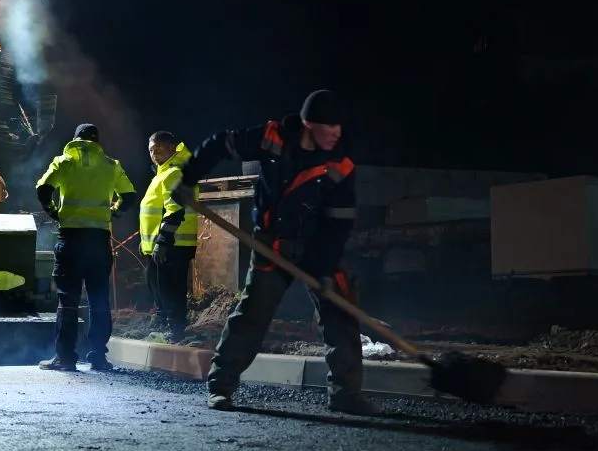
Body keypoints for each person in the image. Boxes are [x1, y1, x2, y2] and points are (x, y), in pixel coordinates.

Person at [176, 90, 379, 415]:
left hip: (318, 248)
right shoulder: (273, 137)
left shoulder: (340, 164)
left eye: (339, 126)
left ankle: (346, 394)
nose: (337, 132)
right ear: (309, 124)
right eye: (330, 126)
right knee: (252, 316)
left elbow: (338, 225)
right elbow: (218, 144)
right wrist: (189, 179)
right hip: (271, 245)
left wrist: (325, 270)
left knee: (341, 314)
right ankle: (220, 387)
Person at [35, 123, 136, 371]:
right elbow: (130, 196)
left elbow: (43, 189)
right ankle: (98, 357)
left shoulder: (64, 161)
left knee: (67, 300)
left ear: (76, 139)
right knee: (99, 300)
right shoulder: (111, 165)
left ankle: (66, 358)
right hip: (98, 241)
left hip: (71, 239)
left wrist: (54, 212)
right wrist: (113, 212)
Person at [140, 131, 199, 343]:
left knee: (170, 289)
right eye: (151, 150)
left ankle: (175, 331)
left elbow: (175, 210)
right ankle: (168, 328)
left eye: (158, 148)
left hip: (173, 244)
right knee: (160, 288)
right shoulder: (163, 173)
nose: (154, 153)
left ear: (172, 147)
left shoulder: (174, 172)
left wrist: (162, 242)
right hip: (163, 244)